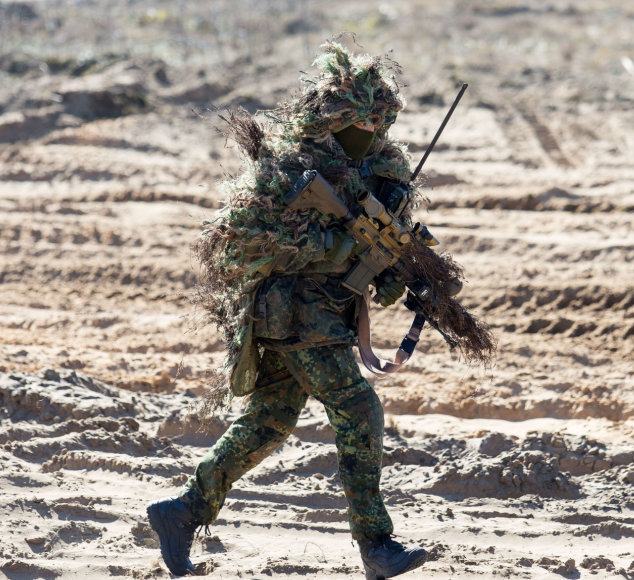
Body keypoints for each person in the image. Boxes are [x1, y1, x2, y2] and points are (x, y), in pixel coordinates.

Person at [147, 42, 429, 579]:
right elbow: (239, 242)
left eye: (377, 123)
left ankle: (183, 513)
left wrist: (395, 275)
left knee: (268, 423)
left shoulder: (384, 175)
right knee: (358, 409)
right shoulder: (290, 172)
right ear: (331, 119)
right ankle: (376, 545)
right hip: (295, 315)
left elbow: (380, 269)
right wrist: (335, 248)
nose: (367, 134)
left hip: (319, 319)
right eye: (356, 122)